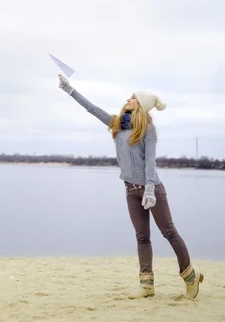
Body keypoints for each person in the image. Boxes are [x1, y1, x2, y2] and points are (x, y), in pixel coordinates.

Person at [57, 74, 204, 300]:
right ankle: (147, 286)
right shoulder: (118, 123)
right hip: (130, 190)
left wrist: (149, 189)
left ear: (141, 105)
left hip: (151, 189)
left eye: (133, 98)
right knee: (142, 237)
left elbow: (149, 161)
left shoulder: (148, 129)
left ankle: (190, 278)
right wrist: (70, 90)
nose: (129, 99)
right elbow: (92, 109)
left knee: (169, 232)